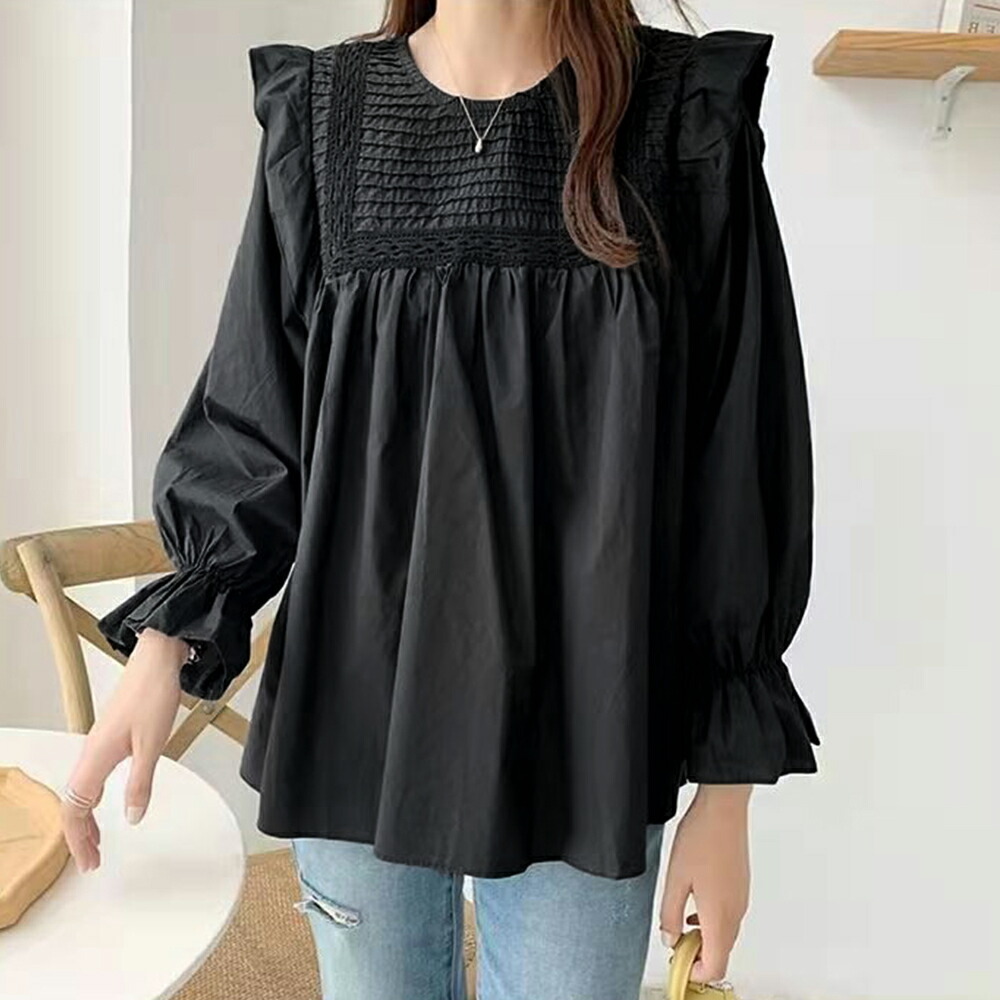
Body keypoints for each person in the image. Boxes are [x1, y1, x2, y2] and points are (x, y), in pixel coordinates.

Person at [63, 2, 821, 997]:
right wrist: (168, 637)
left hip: (587, 735)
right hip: (357, 717)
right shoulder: (325, 113)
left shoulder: (683, 114)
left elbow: (739, 454)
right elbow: (256, 411)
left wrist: (726, 792)